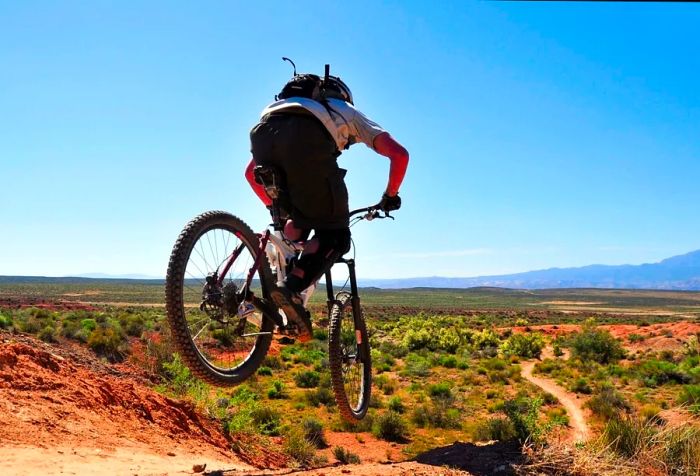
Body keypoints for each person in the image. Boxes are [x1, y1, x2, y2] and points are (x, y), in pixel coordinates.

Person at [245, 67, 409, 341]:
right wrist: (390, 196)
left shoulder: (283, 108)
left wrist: (277, 210)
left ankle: (273, 292)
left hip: (261, 133)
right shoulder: (343, 110)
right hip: (306, 144)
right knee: (335, 235)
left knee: (296, 223)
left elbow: (250, 174)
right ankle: (291, 287)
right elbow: (400, 155)